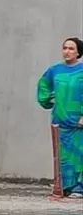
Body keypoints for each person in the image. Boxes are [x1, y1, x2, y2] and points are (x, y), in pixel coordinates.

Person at [37, 37, 83, 197]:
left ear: (78, 52)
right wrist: (47, 100)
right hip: (60, 120)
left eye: (71, 48)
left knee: (79, 153)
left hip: (79, 122)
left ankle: (80, 186)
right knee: (62, 156)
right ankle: (65, 186)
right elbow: (43, 85)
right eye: (65, 48)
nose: (67, 51)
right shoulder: (54, 70)